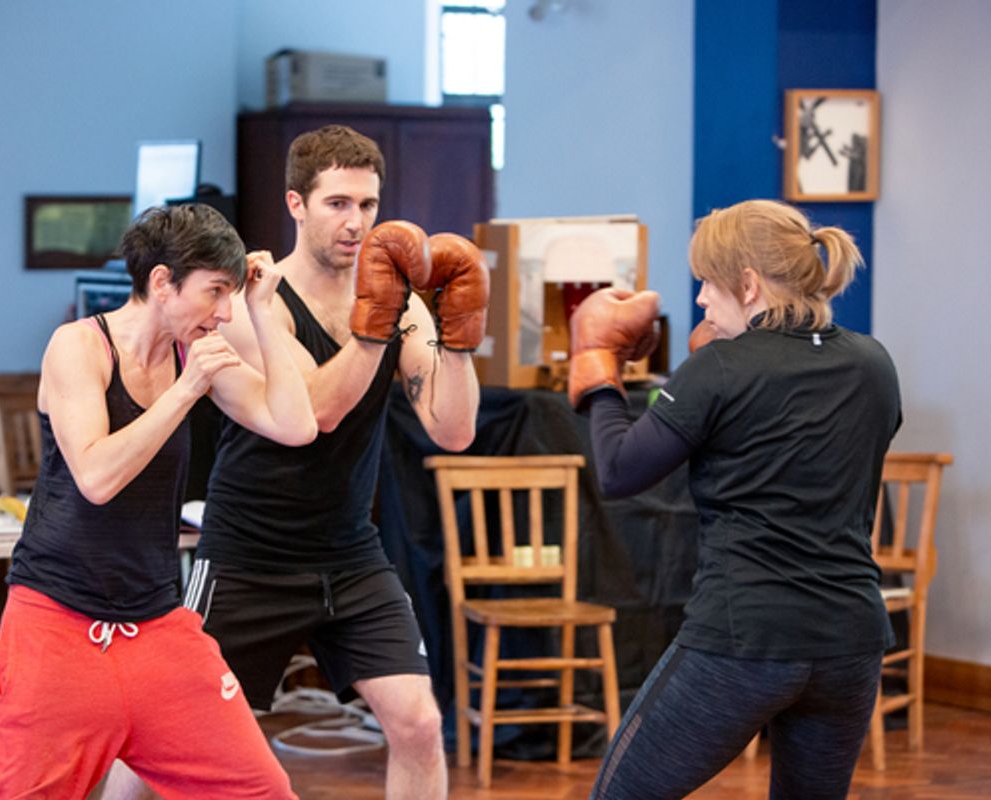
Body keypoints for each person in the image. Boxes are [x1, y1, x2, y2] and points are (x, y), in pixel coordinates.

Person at [111, 124, 486, 800]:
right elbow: (315, 414)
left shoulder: (397, 304)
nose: (356, 223)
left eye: (368, 206)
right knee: (171, 732)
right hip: (250, 554)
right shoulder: (253, 304)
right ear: (296, 205)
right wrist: (379, 326)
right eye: (338, 203)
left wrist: (457, 337)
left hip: (351, 555)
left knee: (418, 723)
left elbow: (453, 432)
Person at [567, 199, 901, 800]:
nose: (699, 298)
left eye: (707, 282)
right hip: (850, 642)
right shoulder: (874, 364)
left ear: (747, 285)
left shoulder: (719, 368)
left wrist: (598, 367)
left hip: (745, 639)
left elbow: (618, 471)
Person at [0, 203, 315, 799]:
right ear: (162, 283)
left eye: (233, 295)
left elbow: (296, 426)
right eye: (216, 292)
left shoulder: (198, 352)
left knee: (265, 792)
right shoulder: (78, 347)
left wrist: (264, 317)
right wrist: (187, 391)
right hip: (56, 621)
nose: (224, 312)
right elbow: (96, 476)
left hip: (156, 624)